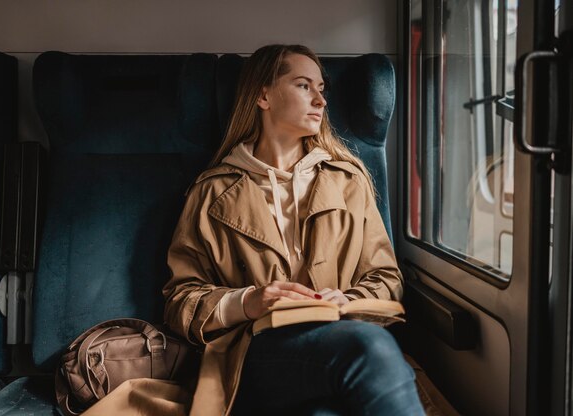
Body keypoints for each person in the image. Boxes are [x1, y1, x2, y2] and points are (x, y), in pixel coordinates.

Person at [162, 44, 425, 416]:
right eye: (304, 86)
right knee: (370, 348)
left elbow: (385, 277)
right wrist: (250, 300)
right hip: (254, 351)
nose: (320, 99)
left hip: (338, 335)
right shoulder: (212, 191)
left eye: (322, 88)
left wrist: (347, 301)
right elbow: (180, 300)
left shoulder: (349, 180)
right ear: (263, 95)